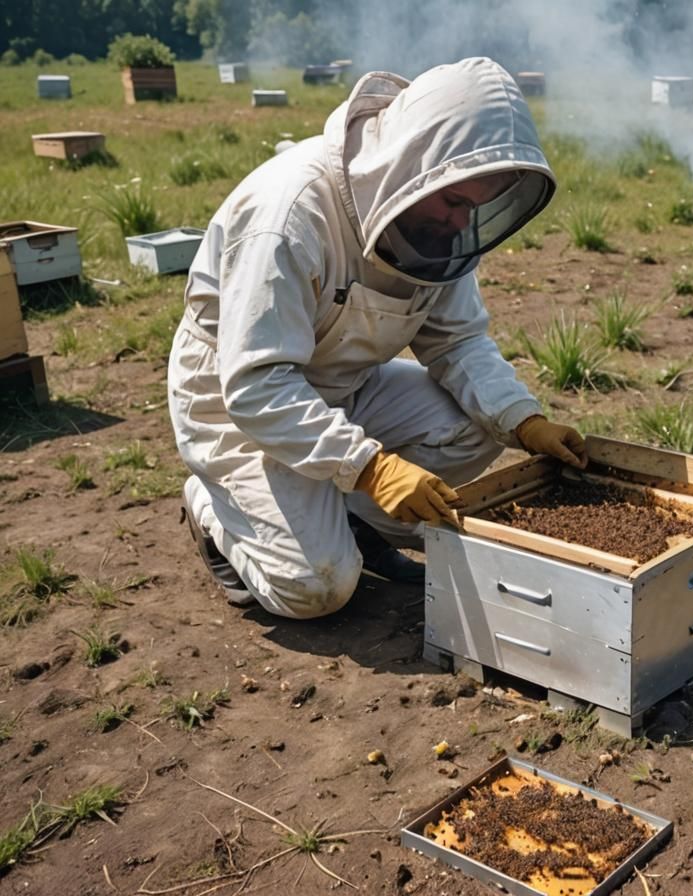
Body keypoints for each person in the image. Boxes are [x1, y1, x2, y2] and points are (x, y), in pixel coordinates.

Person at [168, 57, 587, 619]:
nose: (463, 223)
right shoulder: (288, 215)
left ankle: (345, 515)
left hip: (345, 386)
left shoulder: (433, 226)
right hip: (235, 407)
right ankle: (213, 509)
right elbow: (257, 385)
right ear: (412, 166)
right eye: (456, 202)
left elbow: (457, 343)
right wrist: (371, 468)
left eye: (477, 207)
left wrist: (523, 419)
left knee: (477, 427)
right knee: (317, 589)